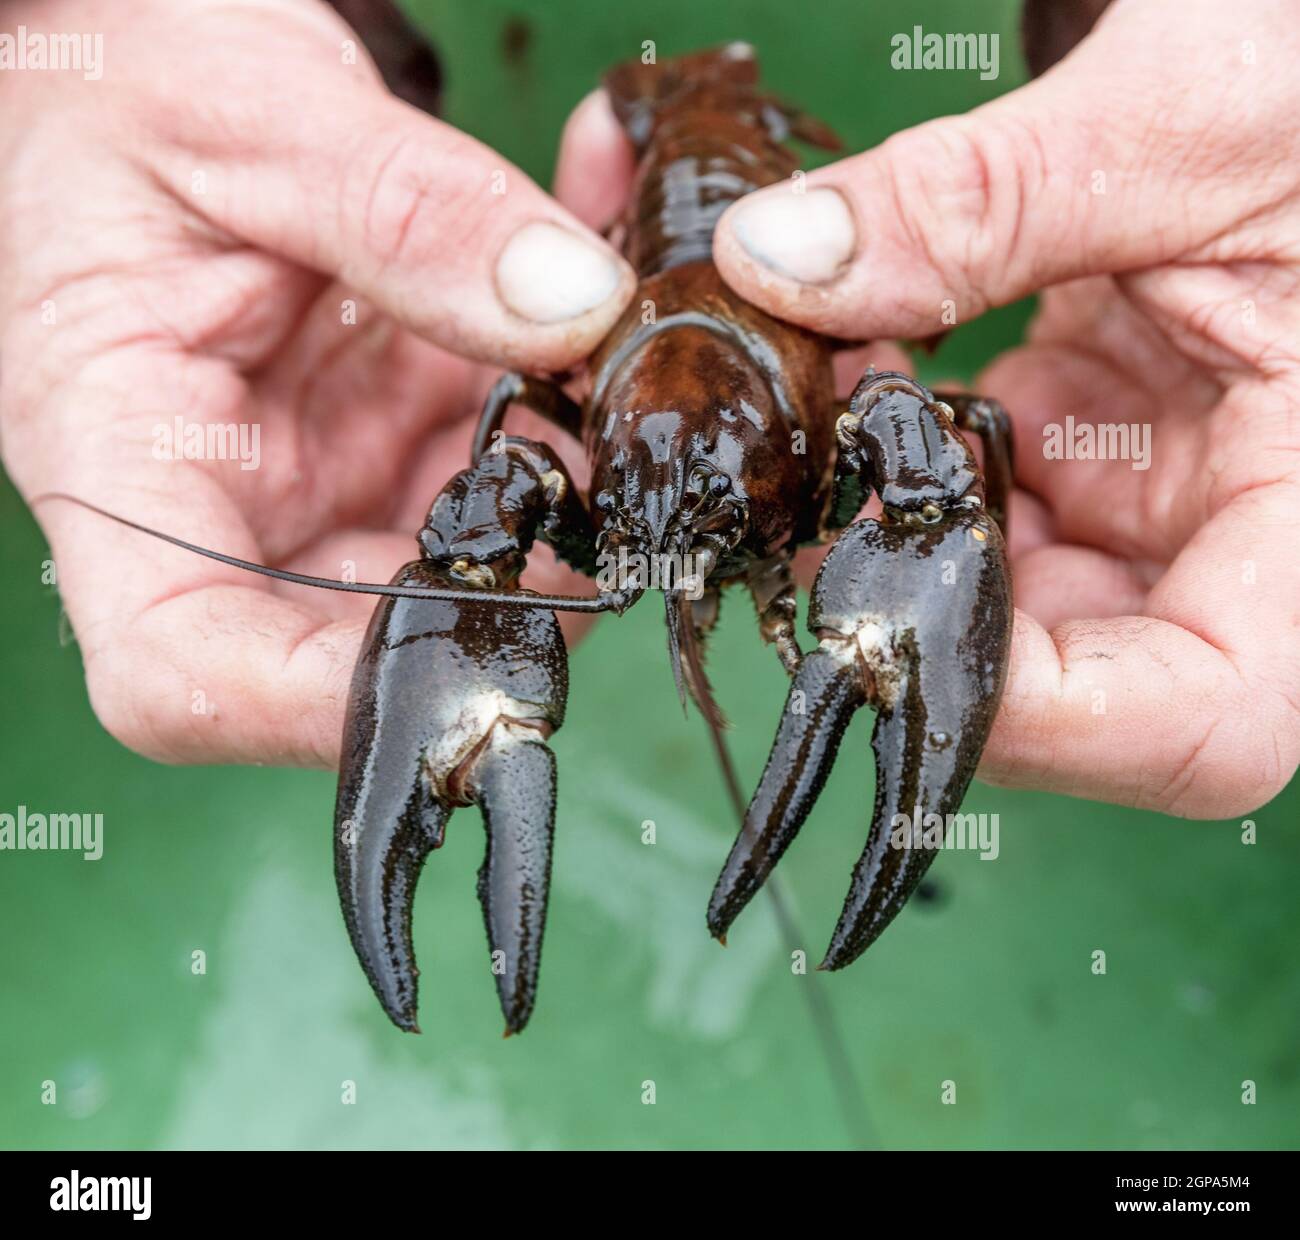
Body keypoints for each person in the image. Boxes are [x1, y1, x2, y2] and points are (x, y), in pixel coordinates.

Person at [1, 0, 1295, 819]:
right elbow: (516, 426)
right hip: (661, 205)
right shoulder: (570, 450)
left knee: (959, 433)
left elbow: (964, 444)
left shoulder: (849, 441)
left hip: (729, 196)